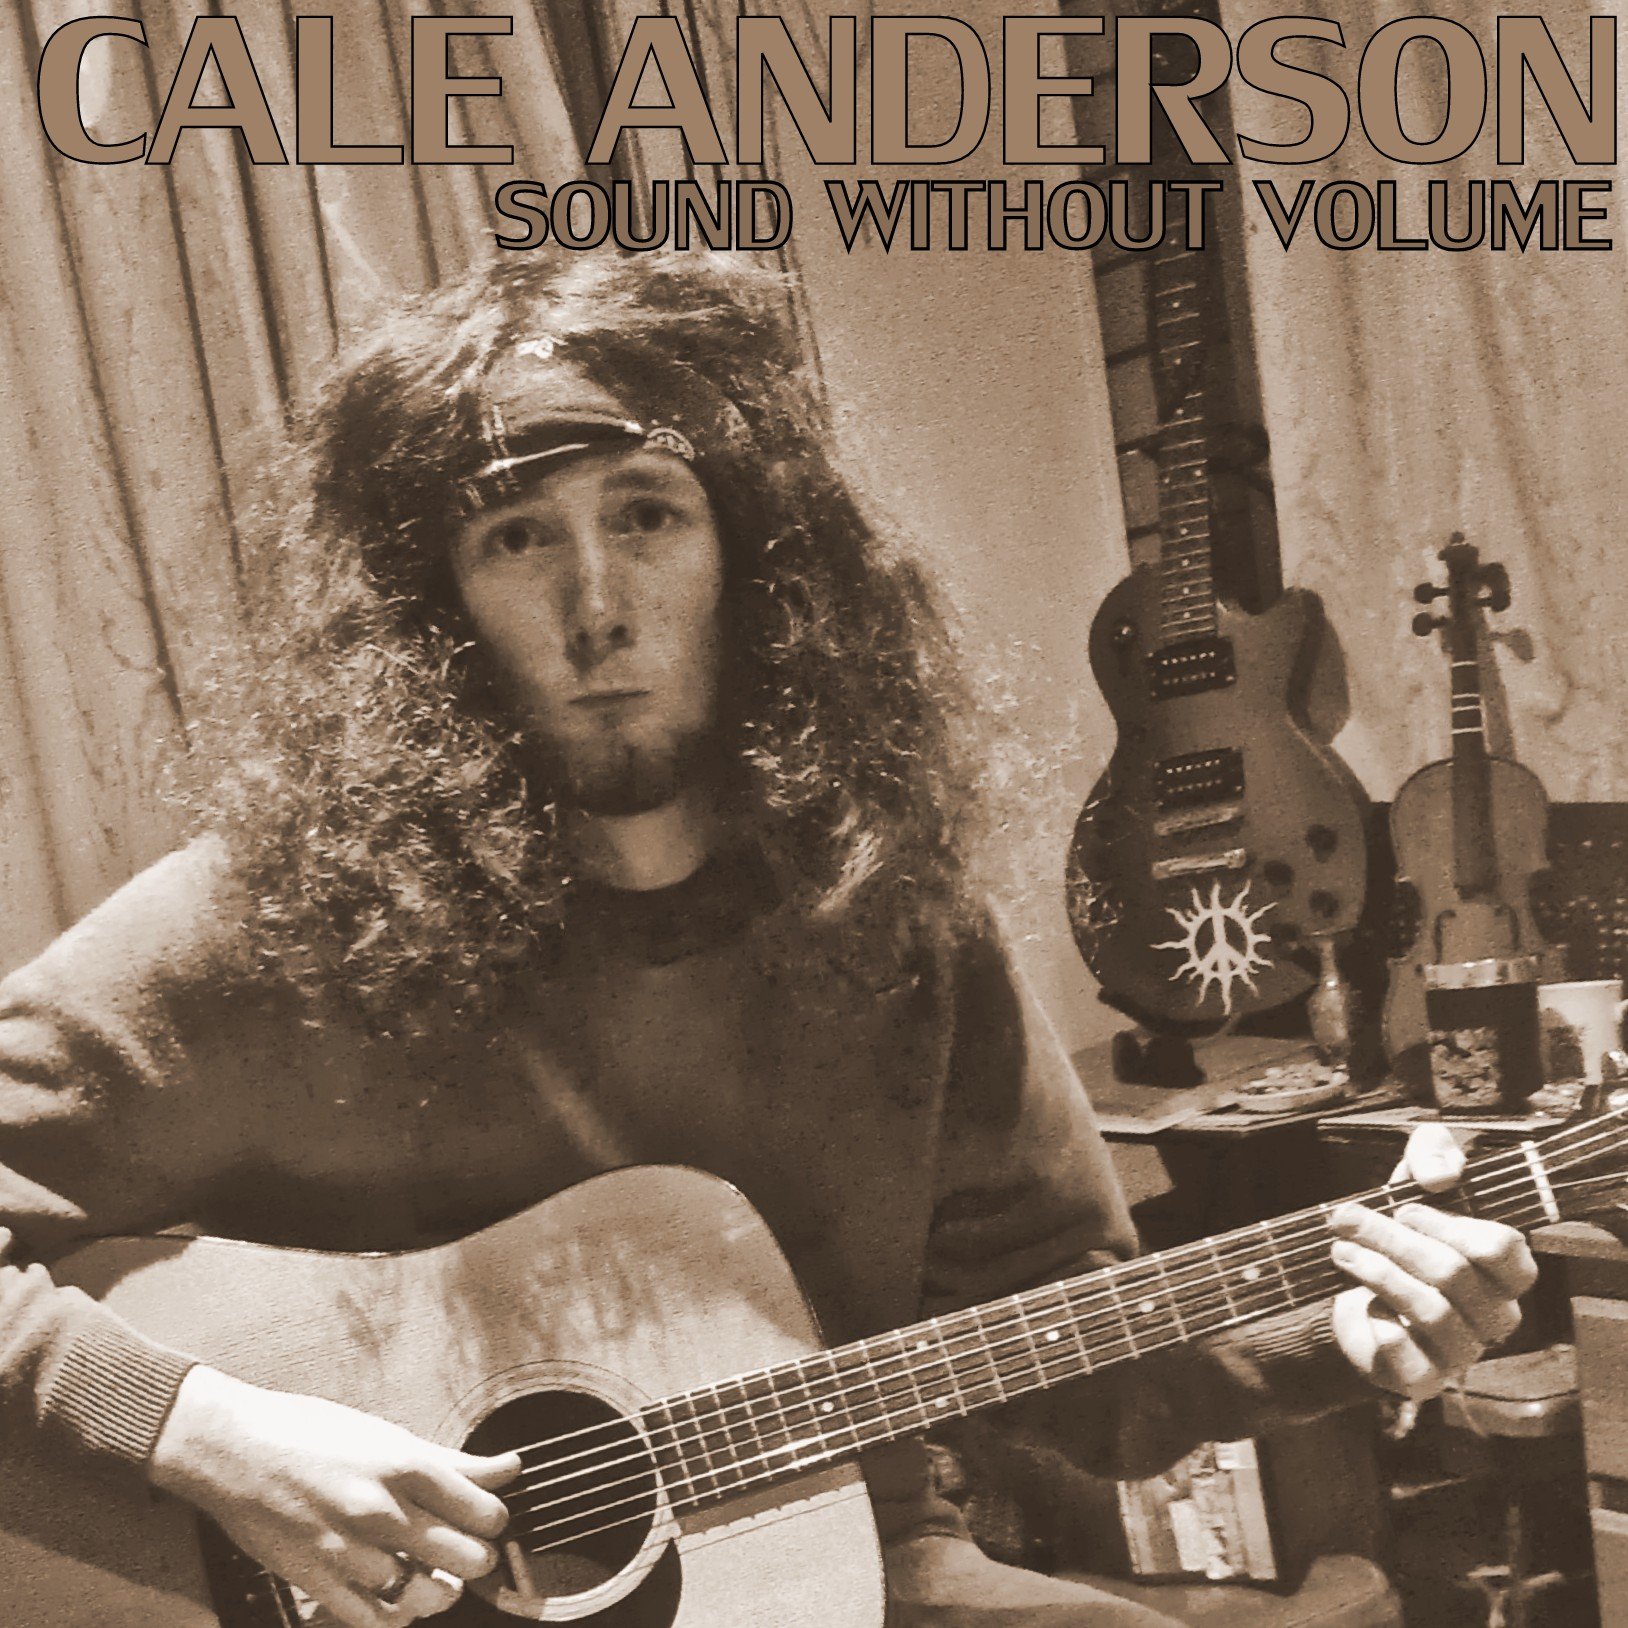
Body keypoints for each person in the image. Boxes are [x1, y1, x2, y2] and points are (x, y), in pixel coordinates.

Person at [0, 250, 1535, 1628]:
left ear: (758, 563)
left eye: (649, 518)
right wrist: (204, 1429)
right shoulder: (280, 923)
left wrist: (1348, 1329)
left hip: (835, 1570)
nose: (597, 605)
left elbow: (1077, 1350)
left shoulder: (898, 928)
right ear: (433, 610)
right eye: (518, 538)